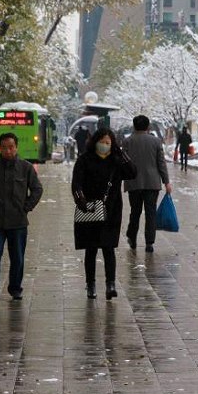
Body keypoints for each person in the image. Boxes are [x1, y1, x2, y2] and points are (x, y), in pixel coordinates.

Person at [72, 128, 137, 300]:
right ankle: (91, 284)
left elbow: (132, 173)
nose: (105, 145)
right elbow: (76, 183)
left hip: (111, 210)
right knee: (91, 248)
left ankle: (110, 284)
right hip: (90, 209)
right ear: (95, 142)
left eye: (108, 142)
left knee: (109, 247)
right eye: (102, 142)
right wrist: (81, 200)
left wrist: (121, 154)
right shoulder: (85, 160)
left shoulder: (116, 161)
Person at [0, 132, 43, 301]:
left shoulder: (26, 167)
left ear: (16, 147)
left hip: (18, 222)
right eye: (4, 148)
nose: (8, 151)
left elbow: (37, 189)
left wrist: (26, 207)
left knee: (17, 258)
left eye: (11, 147)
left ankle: (15, 288)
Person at [122, 115, 172, 253]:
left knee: (135, 211)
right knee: (151, 213)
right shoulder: (156, 141)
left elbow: (123, 163)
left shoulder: (127, 142)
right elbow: (161, 163)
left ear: (134, 126)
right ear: (148, 126)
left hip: (133, 182)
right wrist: (166, 182)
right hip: (152, 183)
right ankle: (149, 242)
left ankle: (132, 237)